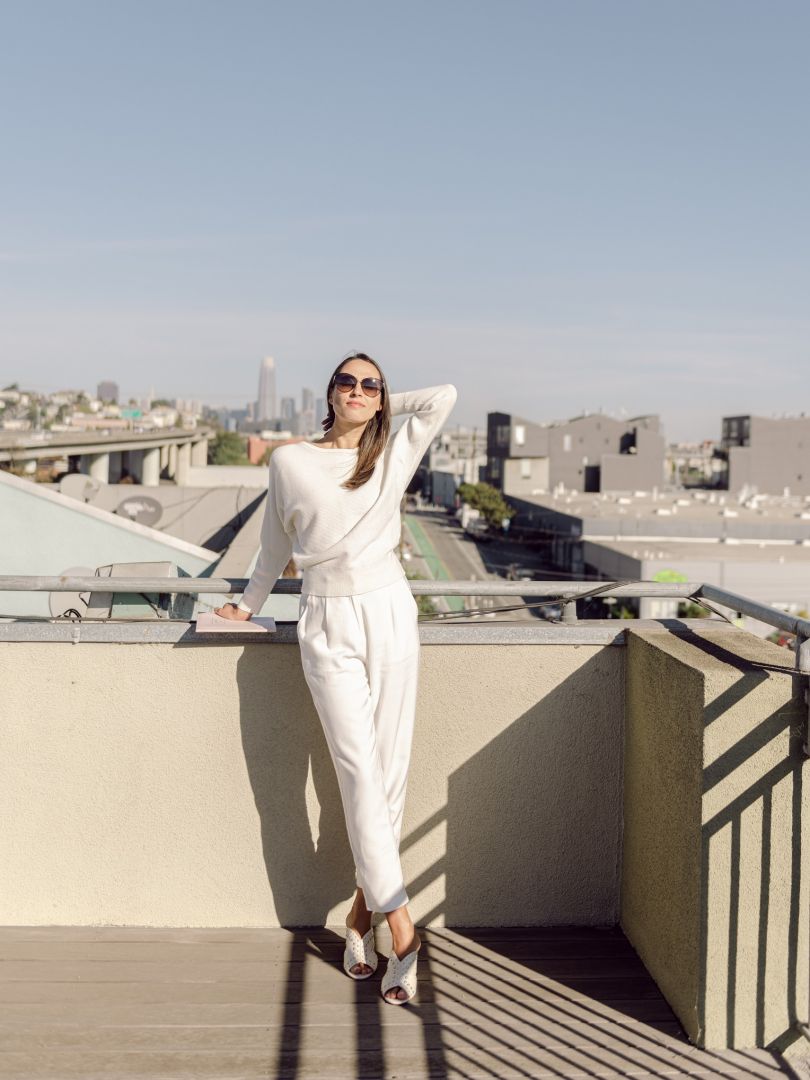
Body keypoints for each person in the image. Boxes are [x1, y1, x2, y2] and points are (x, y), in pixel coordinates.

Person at [215, 352, 457, 1004]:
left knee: (389, 771)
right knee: (356, 769)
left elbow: (445, 396)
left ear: (382, 397)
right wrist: (247, 605)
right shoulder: (291, 460)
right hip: (324, 619)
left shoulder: (392, 454)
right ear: (327, 392)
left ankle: (360, 915)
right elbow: (273, 544)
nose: (356, 390)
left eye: (368, 384)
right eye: (345, 382)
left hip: (390, 612)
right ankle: (402, 929)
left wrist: (384, 405)